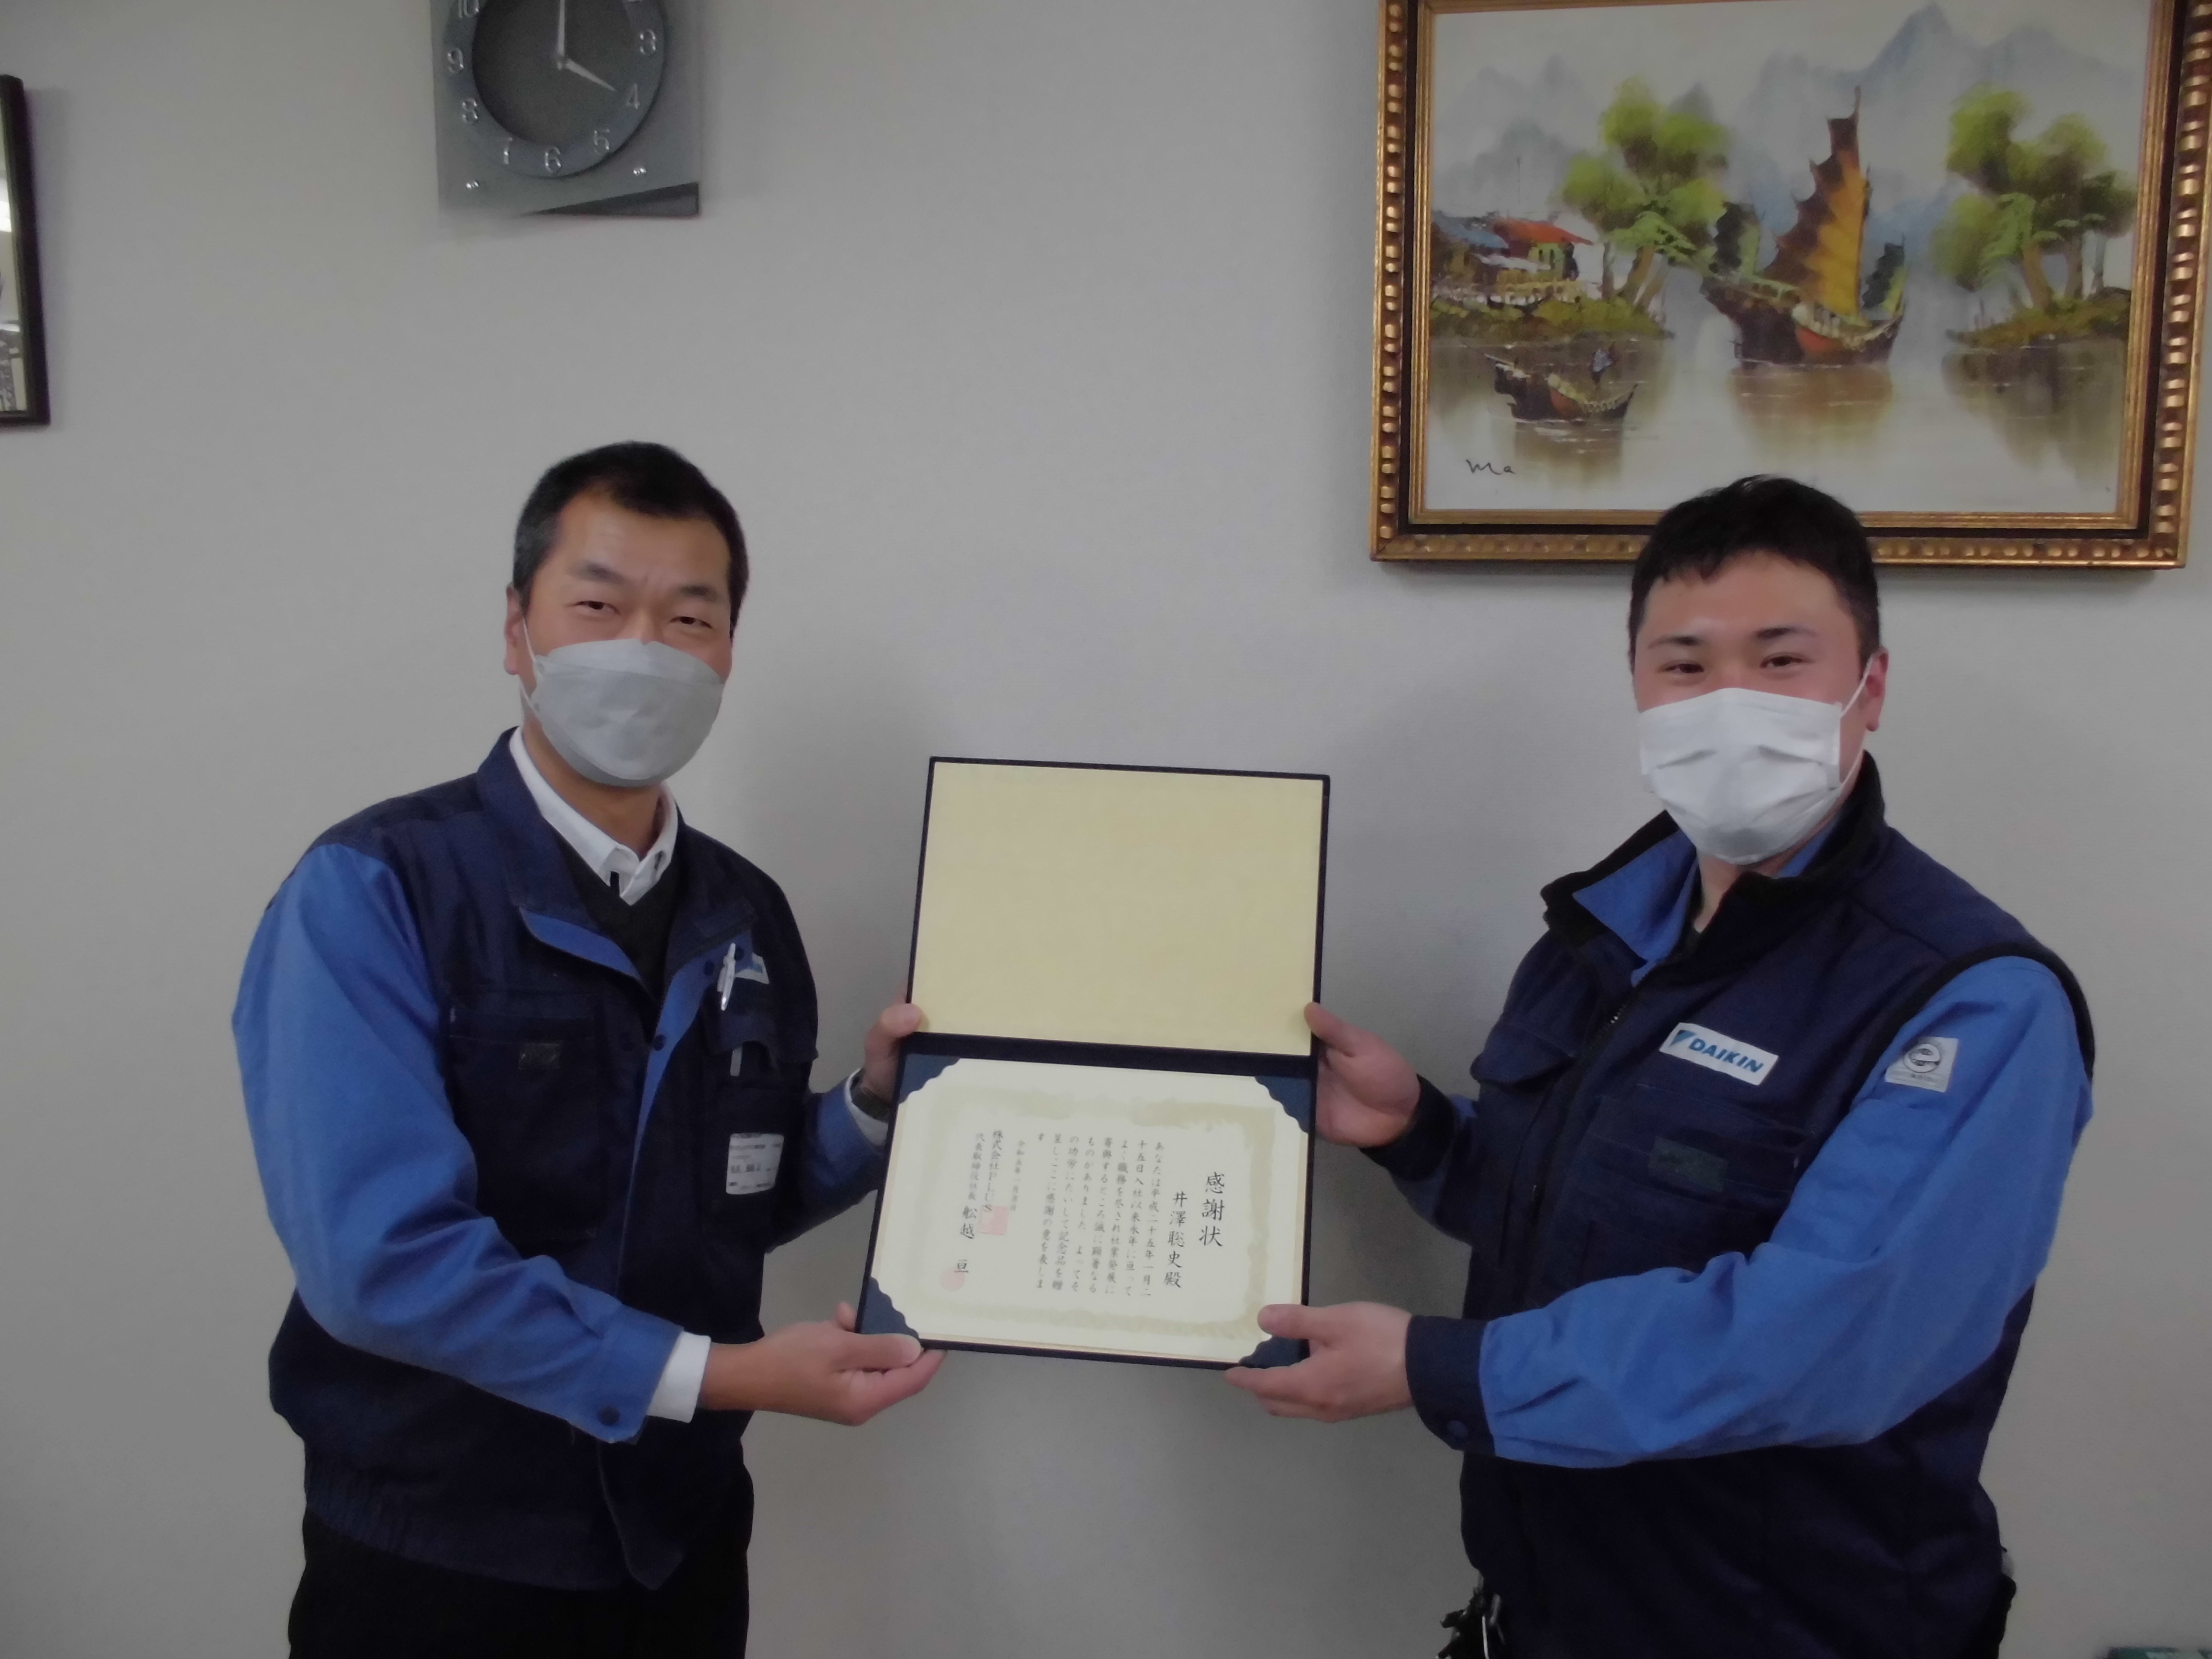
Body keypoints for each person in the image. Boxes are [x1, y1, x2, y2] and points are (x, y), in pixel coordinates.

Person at [1226, 476, 2094, 1659]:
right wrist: (1418, 1131)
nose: (1731, 704)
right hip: (1552, 1607)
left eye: (1781, 662)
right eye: (1685, 667)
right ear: (1639, 688)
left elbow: (1825, 1345)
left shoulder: (1973, 998)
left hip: (1798, 1629)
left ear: (1871, 687)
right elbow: (1589, 1217)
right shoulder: (1606, 930)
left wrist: (1441, 1368)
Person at [234, 442, 942, 1658]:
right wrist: (723, 1377)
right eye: (600, 608)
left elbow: (722, 1204)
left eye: (689, 618)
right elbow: (380, 1262)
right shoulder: (376, 887)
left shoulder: (745, 911)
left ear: (727, 654)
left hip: (682, 1539)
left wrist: (872, 1110)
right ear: (518, 631)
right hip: (442, 1552)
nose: (644, 652)